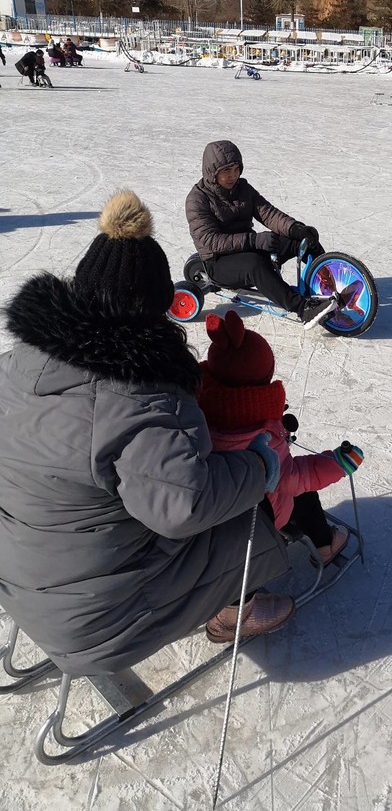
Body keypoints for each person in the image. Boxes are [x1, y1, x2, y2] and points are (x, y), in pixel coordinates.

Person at [0, 190, 296, 677]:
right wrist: (259, 464)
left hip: (17, 575)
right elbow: (185, 506)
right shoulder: (140, 400)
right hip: (97, 618)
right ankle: (234, 611)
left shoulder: (15, 363)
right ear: (157, 310)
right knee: (246, 513)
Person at [198, 310, 364, 597]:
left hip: (217, 514)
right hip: (256, 522)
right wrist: (338, 462)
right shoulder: (262, 443)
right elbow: (297, 477)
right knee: (303, 494)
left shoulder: (201, 415)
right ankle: (325, 546)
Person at [185, 139, 337, 328]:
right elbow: (211, 241)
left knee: (301, 241)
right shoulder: (197, 200)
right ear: (212, 173)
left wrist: (295, 228)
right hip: (219, 262)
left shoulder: (243, 189)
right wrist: (254, 240)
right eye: (226, 171)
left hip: (250, 246)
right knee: (255, 264)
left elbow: (268, 213)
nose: (233, 176)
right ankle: (304, 309)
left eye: (236, 169)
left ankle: (329, 284)